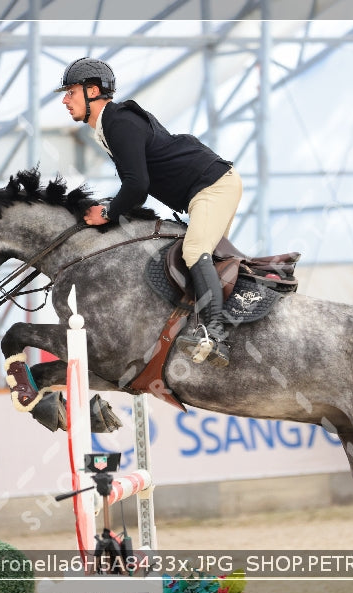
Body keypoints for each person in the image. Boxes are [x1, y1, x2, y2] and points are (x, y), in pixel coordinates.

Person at [56, 57, 242, 367]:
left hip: (212, 187)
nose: (64, 100)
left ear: (92, 91)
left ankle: (216, 336)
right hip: (212, 185)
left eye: (70, 92)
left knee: (196, 252)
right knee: (209, 263)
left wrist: (108, 212)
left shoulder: (119, 123)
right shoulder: (110, 125)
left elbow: (137, 186)